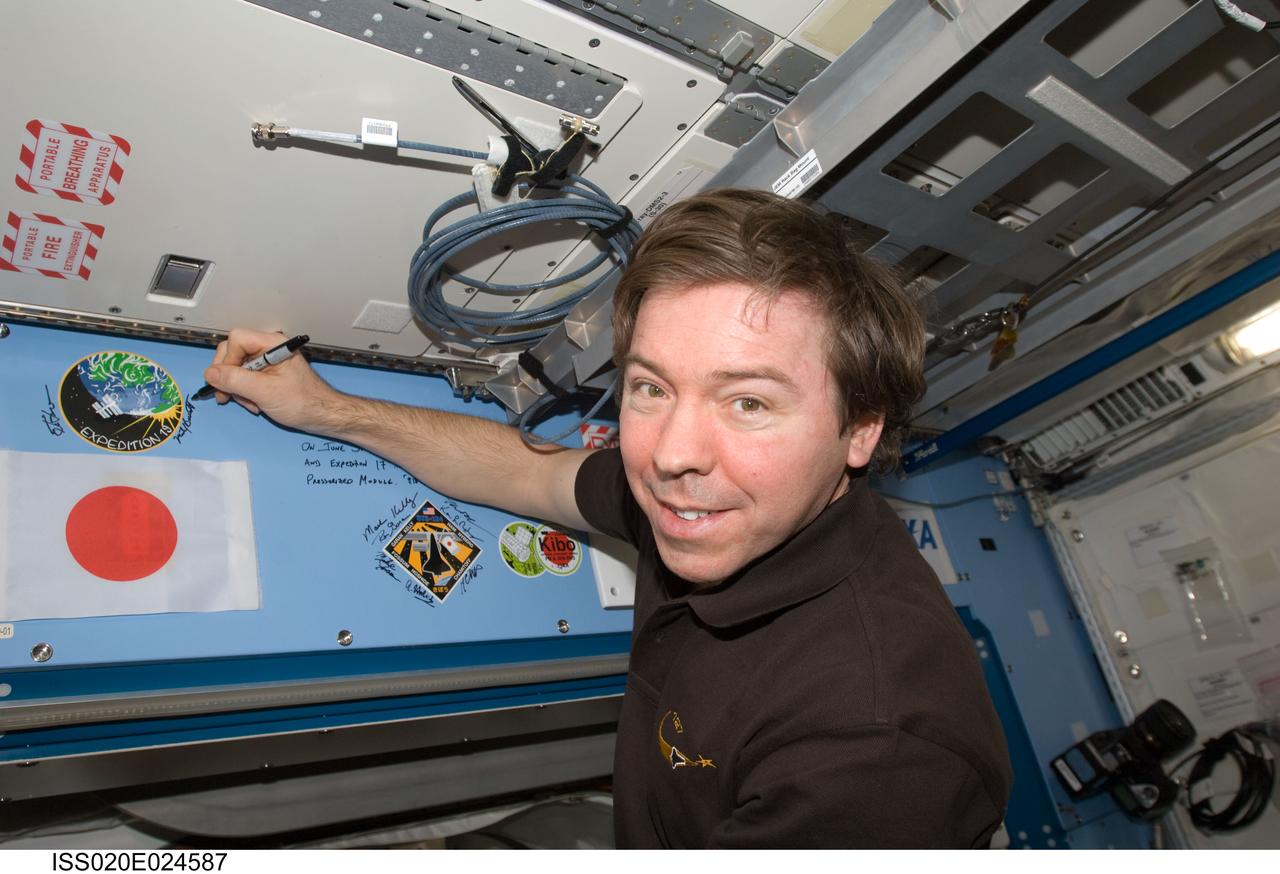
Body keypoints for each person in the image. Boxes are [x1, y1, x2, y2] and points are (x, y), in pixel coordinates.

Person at [204, 188, 1012, 848]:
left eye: (749, 402)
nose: (670, 455)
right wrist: (324, 409)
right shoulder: (719, 504)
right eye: (652, 387)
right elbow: (524, 470)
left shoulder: (877, 751)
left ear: (860, 428)